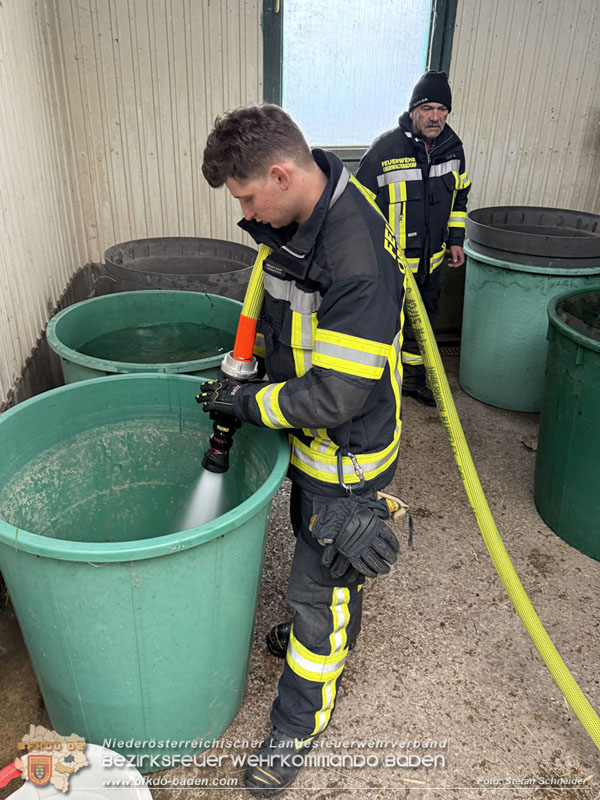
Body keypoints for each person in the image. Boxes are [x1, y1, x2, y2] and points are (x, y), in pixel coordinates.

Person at [200, 104, 408, 797]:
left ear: (283, 173)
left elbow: (336, 396)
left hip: (345, 455)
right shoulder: (295, 224)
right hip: (313, 446)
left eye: (248, 197)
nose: (246, 211)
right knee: (308, 552)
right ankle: (324, 613)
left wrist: (248, 402)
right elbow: (290, 319)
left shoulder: (355, 258)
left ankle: (297, 723)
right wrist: (253, 373)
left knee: (317, 597)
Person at [356, 70, 471, 406]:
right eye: (427, 108)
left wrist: (456, 239)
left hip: (431, 266)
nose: (435, 116)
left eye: (442, 109)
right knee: (381, 326)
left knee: (423, 328)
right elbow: (359, 210)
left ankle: (414, 381)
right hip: (390, 267)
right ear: (412, 112)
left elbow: (459, 198)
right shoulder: (384, 151)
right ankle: (373, 387)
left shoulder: (454, 150)